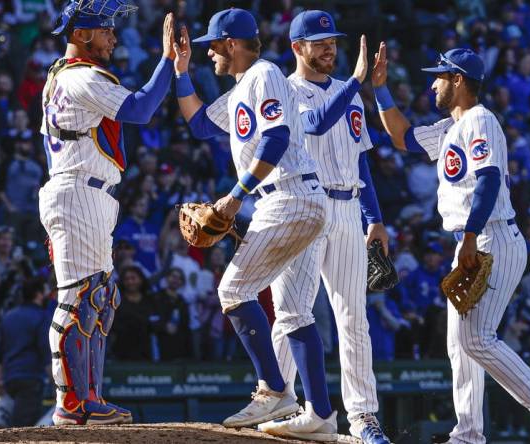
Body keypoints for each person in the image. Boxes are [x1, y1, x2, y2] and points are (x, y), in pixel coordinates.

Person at [371, 46, 530, 444]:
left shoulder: (481, 120)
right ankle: (468, 434)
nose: (432, 83)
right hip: (474, 237)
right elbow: (402, 136)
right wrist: (380, 89)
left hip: (490, 235)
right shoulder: (451, 127)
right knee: (459, 345)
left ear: (458, 79)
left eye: (440, 76)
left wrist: (468, 238)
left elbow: (489, 182)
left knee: (476, 339)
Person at [171, 9, 336, 440]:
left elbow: (276, 137)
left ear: (231, 43)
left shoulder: (263, 73)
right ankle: (320, 415)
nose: (209, 52)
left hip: (287, 197)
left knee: (233, 290)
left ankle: (274, 389)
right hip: (296, 199)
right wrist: (181, 71)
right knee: (295, 312)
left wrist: (235, 195)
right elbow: (201, 124)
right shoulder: (246, 84)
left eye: (213, 44)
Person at [39, 0, 176, 425]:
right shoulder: (80, 75)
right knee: (81, 296)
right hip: (78, 190)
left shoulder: (65, 76)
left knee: (100, 297)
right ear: (81, 35)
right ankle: (72, 402)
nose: (113, 36)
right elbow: (140, 108)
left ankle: (89, 397)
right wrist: (168, 61)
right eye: (105, 29)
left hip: (87, 192)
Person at [264, 10, 390, 443]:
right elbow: (315, 123)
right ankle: (276, 397)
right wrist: (357, 81)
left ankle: (363, 417)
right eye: (319, 43)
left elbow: (361, 158)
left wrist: (375, 219)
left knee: (354, 318)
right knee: (293, 312)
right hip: (305, 206)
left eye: (332, 41)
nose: (329, 48)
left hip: (348, 208)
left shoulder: (347, 91)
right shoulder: (285, 89)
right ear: (297, 47)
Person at [0, 278, 50, 427]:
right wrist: (56, 381)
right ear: (38, 294)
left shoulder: (8, 316)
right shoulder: (42, 316)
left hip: (9, 379)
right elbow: (45, 352)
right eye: (45, 291)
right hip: (30, 379)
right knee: (24, 428)